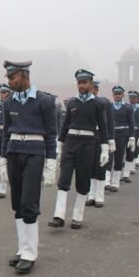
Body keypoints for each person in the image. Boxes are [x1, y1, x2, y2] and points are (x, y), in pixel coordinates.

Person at [1, 60, 57, 275]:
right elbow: (6, 133)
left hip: (35, 153)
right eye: (8, 77)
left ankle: (30, 253)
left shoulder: (44, 101)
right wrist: (3, 160)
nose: (9, 81)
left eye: (12, 77)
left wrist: (51, 161)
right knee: (17, 204)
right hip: (14, 152)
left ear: (24, 75)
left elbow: (51, 133)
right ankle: (21, 248)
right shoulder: (8, 103)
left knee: (29, 202)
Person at [48, 70, 108, 230]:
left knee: (83, 180)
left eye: (84, 82)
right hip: (71, 142)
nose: (81, 86)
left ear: (90, 84)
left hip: (88, 144)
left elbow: (103, 126)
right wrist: (59, 144)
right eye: (79, 83)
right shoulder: (72, 103)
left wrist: (105, 148)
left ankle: (77, 216)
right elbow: (66, 124)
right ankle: (58, 215)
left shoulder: (98, 103)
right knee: (64, 178)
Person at [86, 81, 115, 208]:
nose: (92, 91)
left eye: (94, 89)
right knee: (90, 167)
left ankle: (99, 196)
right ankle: (91, 195)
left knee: (101, 166)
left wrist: (111, 139)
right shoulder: (84, 103)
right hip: (89, 137)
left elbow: (110, 122)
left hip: (101, 136)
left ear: (97, 90)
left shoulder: (105, 102)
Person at [108, 86, 135, 192]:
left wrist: (132, 136)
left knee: (119, 159)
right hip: (110, 135)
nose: (117, 95)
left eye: (119, 94)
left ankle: (115, 183)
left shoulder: (128, 107)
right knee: (108, 159)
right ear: (113, 95)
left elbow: (131, 123)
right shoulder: (109, 106)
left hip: (122, 135)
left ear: (123, 95)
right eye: (115, 94)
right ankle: (106, 182)